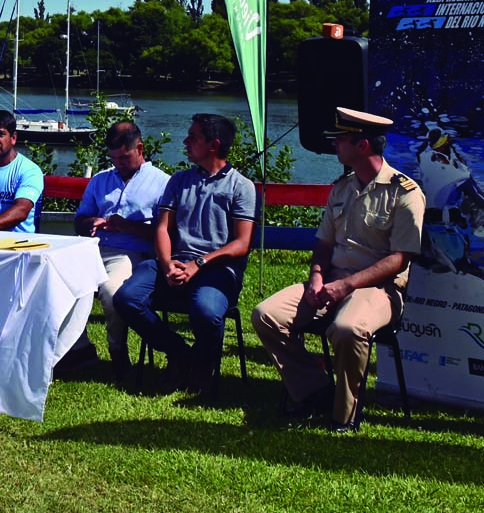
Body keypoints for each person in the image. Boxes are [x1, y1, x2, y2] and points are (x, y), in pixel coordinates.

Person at [252, 106, 426, 431]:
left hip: (380, 290)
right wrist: (317, 279)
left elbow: (399, 259)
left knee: (348, 329)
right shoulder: (341, 188)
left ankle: (343, 415)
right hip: (331, 283)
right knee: (267, 314)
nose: (334, 145)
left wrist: (346, 287)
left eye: (340, 140)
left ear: (362, 145)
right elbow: (324, 245)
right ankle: (315, 391)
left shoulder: (405, 193)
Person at [113, 112, 256, 396]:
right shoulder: (178, 181)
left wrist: (198, 264)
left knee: (206, 311)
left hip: (218, 269)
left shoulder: (241, 186)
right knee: (126, 299)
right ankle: (179, 352)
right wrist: (166, 264)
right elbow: (162, 229)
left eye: (193, 137)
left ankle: (203, 364)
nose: (185, 141)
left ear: (213, 145)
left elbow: (241, 244)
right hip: (174, 262)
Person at [69, 120, 170, 379]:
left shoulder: (163, 183)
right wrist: (89, 222)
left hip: (133, 253)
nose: (119, 164)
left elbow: (166, 233)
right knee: (59, 284)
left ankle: (117, 351)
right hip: (93, 248)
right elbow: (79, 220)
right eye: (114, 159)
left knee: (112, 292)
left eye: (124, 158)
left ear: (140, 148)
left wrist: (127, 226)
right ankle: (79, 349)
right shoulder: (101, 180)